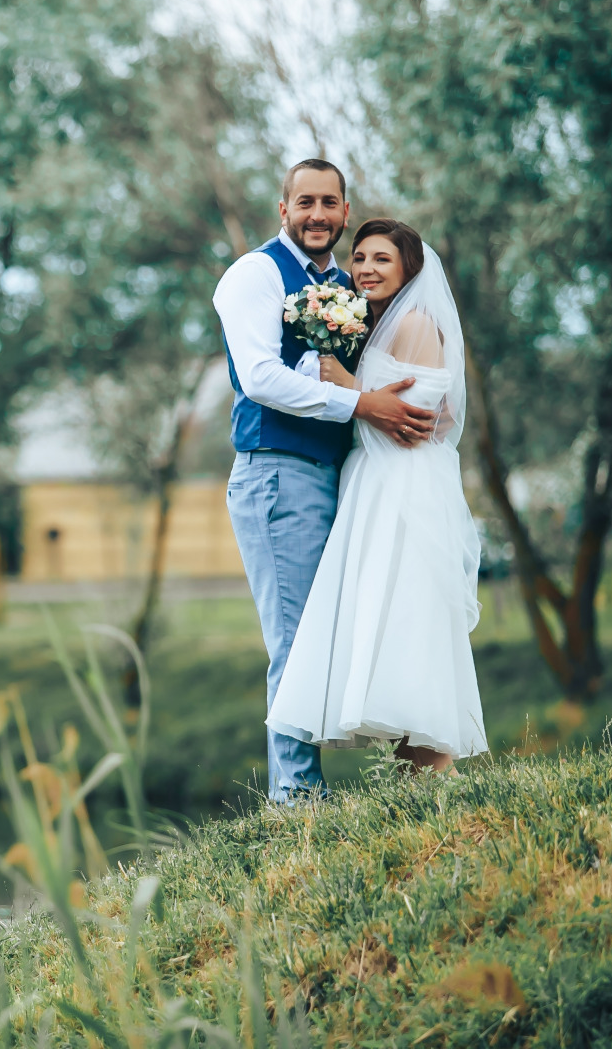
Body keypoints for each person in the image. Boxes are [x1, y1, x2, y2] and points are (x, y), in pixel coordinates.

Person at [216, 161, 438, 803]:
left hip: (345, 476)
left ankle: (408, 773)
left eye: (330, 203)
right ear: (282, 208)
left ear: (344, 211)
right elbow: (258, 375)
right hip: (278, 473)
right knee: (295, 637)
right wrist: (363, 407)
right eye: (305, 202)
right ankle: (297, 804)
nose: (319, 214)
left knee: (350, 631)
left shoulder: (345, 282)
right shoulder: (254, 275)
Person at [266, 219, 487, 771]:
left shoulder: (414, 322)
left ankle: (433, 774)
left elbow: (422, 418)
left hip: (402, 486)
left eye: (381, 259)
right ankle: (415, 778)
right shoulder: (382, 323)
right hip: (375, 480)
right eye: (359, 257)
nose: (364, 268)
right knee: (389, 621)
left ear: (408, 267)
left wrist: (340, 379)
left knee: (409, 619)